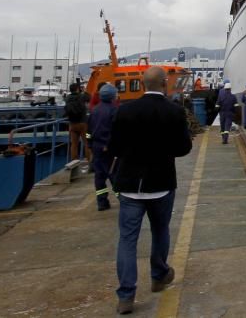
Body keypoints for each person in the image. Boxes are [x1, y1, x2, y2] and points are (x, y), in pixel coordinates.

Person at [109, 66, 192, 315]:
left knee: (127, 240)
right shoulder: (175, 112)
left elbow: (115, 147)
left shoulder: (125, 111)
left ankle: (126, 296)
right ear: (165, 83)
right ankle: (158, 275)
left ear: (142, 84)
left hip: (130, 186)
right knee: (160, 230)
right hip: (162, 184)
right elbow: (183, 149)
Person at [87, 83, 118, 211]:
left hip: (96, 147)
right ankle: (123, 198)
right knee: (114, 174)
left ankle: (102, 202)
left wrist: (90, 145)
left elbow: (89, 131)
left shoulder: (94, 111)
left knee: (99, 176)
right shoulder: (114, 111)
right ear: (112, 96)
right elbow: (115, 131)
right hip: (108, 148)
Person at [64, 82, 90, 162]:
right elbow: (89, 97)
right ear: (78, 89)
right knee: (88, 141)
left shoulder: (67, 98)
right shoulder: (82, 96)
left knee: (74, 144)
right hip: (84, 124)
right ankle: (88, 160)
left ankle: (74, 161)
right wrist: (84, 91)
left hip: (72, 124)